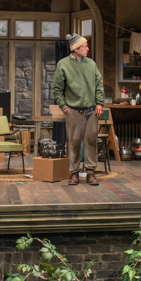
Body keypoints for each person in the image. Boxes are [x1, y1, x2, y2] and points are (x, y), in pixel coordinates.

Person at [53, 33, 105, 186]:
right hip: (73, 111)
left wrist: (99, 103)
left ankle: (90, 172)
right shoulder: (63, 64)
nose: (87, 49)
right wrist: (64, 107)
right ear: (75, 49)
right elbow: (57, 89)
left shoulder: (91, 64)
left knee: (91, 142)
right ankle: (74, 173)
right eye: (85, 46)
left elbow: (99, 85)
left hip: (91, 111)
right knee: (74, 142)